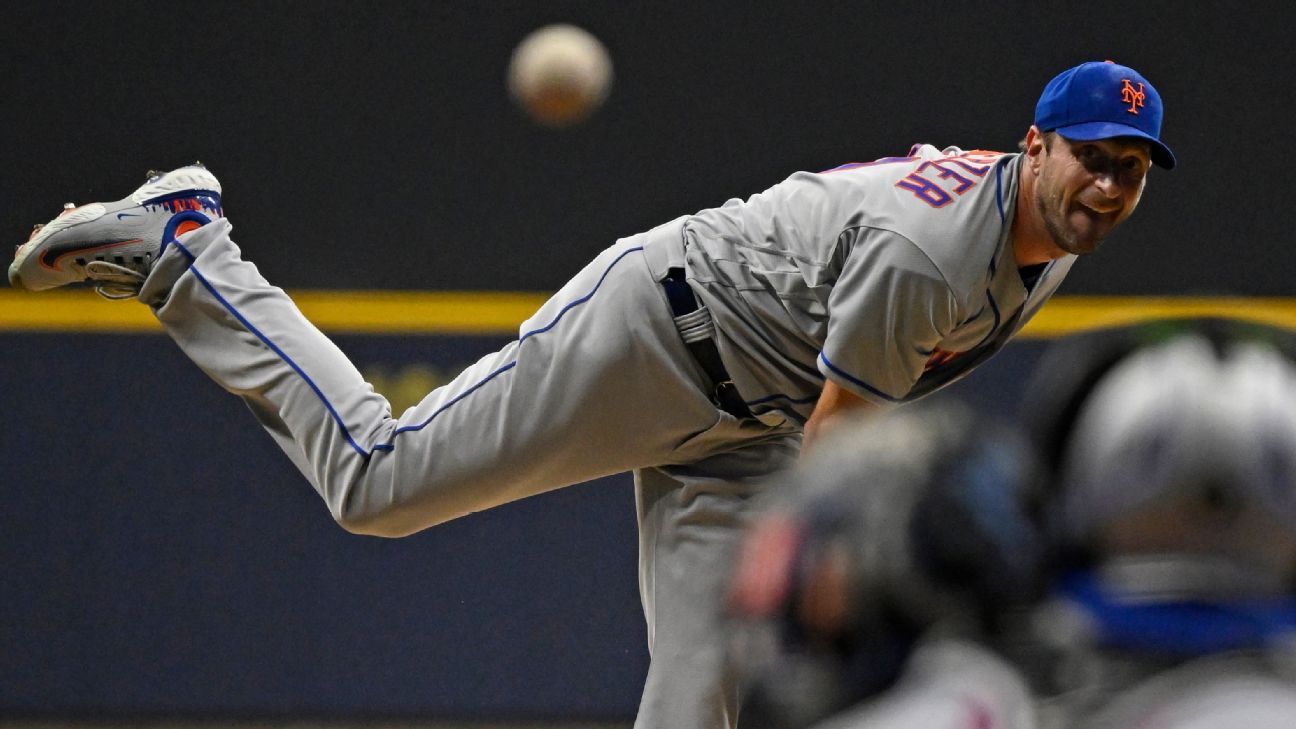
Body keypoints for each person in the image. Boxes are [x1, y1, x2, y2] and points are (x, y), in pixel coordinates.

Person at [7, 59, 1174, 729]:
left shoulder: (1051, 234)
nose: (1109, 185)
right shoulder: (934, 256)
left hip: (749, 411)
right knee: (377, 483)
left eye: (1129, 169)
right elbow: (841, 457)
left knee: (706, 680)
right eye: (1090, 157)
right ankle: (190, 246)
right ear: (1036, 145)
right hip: (661, 336)